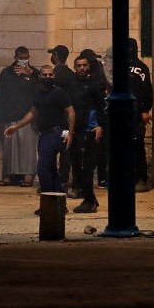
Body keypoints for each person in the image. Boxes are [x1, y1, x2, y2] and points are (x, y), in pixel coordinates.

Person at [3, 64, 74, 215]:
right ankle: (58, 205)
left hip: (56, 133)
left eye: (50, 75)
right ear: (40, 76)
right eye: (45, 75)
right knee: (51, 170)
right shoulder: (39, 94)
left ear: (54, 76)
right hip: (45, 134)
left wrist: (70, 134)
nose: (48, 77)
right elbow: (33, 113)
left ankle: (49, 204)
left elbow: (71, 112)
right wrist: (17, 127)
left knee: (43, 169)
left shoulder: (59, 92)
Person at [69, 51, 106, 213]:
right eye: (79, 66)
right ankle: (90, 199)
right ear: (75, 68)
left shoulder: (94, 85)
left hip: (90, 131)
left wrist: (100, 125)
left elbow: (102, 107)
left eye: (84, 65)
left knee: (87, 168)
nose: (82, 68)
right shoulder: (71, 85)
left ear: (88, 66)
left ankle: (89, 200)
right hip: (76, 131)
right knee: (77, 166)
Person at [0, 46, 37, 187]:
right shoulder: (6, 73)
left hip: (28, 116)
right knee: (10, 149)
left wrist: (29, 74)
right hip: (10, 114)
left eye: (26, 58)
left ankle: (28, 175)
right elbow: (0, 95)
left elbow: (40, 90)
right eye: (21, 58)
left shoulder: (34, 73)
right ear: (15, 57)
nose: (23, 60)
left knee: (27, 148)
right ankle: (9, 176)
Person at [78, 48, 111, 187]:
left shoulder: (98, 76)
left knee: (100, 151)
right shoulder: (79, 80)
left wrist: (101, 124)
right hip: (84, 121)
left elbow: (102, 101)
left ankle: (102, 178)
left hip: (96, 119)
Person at [48, 44, 78, 195]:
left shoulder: (51, 75)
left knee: (51, 150)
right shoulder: (72, 75)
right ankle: (63, 181)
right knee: (65, 150)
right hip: (67, 120)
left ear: (55, 55)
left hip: (54, 119)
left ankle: (53, 182)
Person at [128, 38, 153, 192]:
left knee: (137, 147)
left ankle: (141, 179)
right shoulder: (118, 66)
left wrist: (145, 110)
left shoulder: (141, 68)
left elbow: (147, 91)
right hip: (122, 115)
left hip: (136, 114)